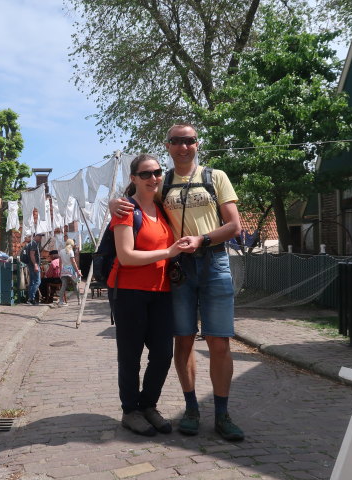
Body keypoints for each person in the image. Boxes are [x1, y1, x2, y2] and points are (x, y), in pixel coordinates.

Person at [110, 124, 244, 441]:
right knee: (181, 341)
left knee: (219, 342)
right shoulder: (163, 183)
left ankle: (222, 414)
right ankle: (191, 409)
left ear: (197, 144)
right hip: (178, 269)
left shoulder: (215, 177)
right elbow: (134, 197)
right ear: (168, 146)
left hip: (213, 261)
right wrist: (113, 203)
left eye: (189, 140)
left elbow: (235, 226)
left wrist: (202, 239)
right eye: (176, 141)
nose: (183, 146)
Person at [108, 153, 190, 436]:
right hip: (130, 292)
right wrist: (168, 252)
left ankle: (148, 405)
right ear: (133, 179)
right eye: (145, 174)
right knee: (130, 356)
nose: (153, 178)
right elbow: (126, 256)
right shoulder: (126, 210)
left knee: (163, 354)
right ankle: (130, 411)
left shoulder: (164, 209)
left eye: (156, 172)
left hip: (162, 292)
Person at [57, 239, 81, 306]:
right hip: (71, 270)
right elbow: (73, 262)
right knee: (75, 285)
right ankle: (79, 300)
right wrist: (77, 271)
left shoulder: (61, 251)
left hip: (64, 270)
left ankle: (60, 301)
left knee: (63, 286)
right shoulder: (71, 251)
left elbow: (60, 262)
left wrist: (60, 271)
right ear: (72, 244)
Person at [26, 233, 43, 305]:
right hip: (33, 265)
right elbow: (32, 255)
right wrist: (36, 265)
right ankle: (31, 298)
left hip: (31, 265)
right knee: (37, 281)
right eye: (39, 236)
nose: (41, 238)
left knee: (32, 282)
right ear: (35, 236)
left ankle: (30, 299)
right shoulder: (34, 244)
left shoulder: (31, 243)